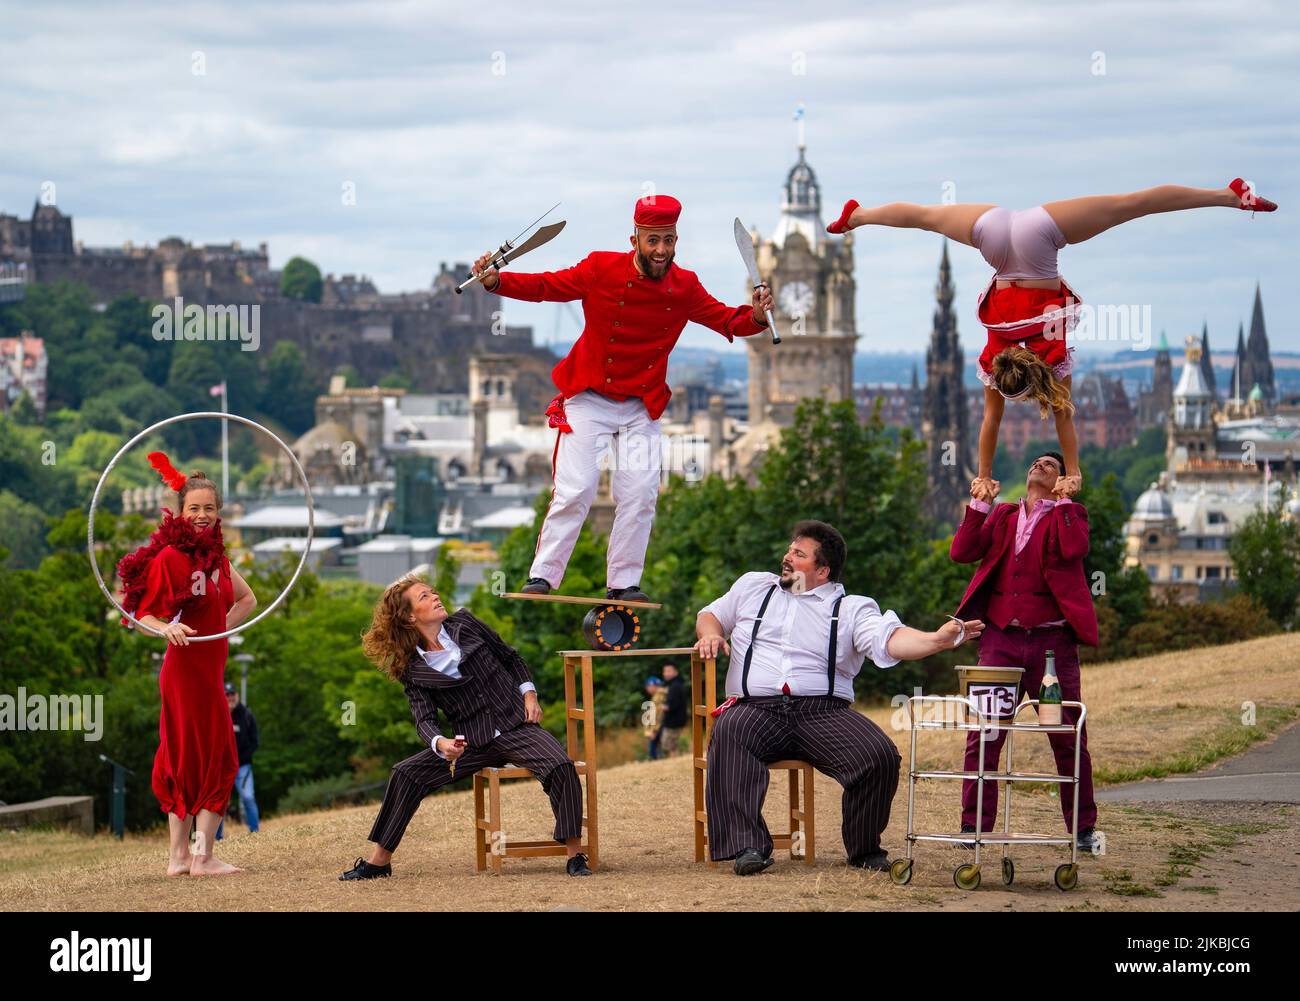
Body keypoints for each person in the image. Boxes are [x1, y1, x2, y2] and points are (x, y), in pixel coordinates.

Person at [826, 179, 1277, 501]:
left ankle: (1229, 197)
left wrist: (1074, 472)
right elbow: (990, 426)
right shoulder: (993, 362)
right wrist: (981, 476)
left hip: (1040, 244)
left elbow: (1064, 423)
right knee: (927, 218)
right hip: (995, 238)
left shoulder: (1053, 360)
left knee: (1129, 205)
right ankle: (858, 217)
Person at [472, 194, 775, 603]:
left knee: (640, 494)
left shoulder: (685, 286)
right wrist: (497, 282)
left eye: (668, 241)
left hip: (640, 406)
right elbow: (547, 286)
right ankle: (543, 575)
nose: (662, 250)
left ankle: (624, 584)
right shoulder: (600, 268)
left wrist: (756, 316)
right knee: (576, 489)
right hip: (589, 396)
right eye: (653, 240)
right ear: (634, 239)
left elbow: (726, 319)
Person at [695, 520, 983, 875]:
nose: (786, 557)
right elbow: (711, 614)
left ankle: (864, 850)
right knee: (729, 731)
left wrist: (937, 640)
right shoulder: (754, 586)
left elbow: (890, 640)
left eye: (798, 554)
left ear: (823, 570)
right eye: (790, 549)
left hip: (822, 712)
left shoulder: (851, 608)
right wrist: (710, 635)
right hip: (756, 708)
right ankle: (746, 847)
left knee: (879, 756)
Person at [340, 574, 591, 879]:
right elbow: (424, 720)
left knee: (560, 766)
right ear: (409, 616)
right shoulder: (412, 669)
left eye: (433, 592)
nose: (435, 597)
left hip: (517, 725)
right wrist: (441, 743)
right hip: (470, 741)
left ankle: (575, 855)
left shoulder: (466, 623)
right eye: (424, 597)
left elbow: (511, 658)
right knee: (405, 774)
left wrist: (530, 694)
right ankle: (379, 863)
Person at [116, 454, 258, 876]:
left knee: (195, 756)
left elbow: (248, 600)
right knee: (210, 757)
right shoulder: (170, 559)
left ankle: (182, 859)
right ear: (179, 513)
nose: (202, 516)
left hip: (208, 670)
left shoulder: (218, 560)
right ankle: (200, 857)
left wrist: (219, 629)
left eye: (209, 509)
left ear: (219, 514)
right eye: (194, 508)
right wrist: (167, 630)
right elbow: (143, 616)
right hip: (183, 675)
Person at [949, 451, 1099, 850]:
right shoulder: (1003, 516)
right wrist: (981, 504)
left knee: (1065, 733)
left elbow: (1072, 550)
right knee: (985, 733)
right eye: (1037, 462)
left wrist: (1066, 502)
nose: (1040, 465)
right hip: (1001, 641)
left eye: (1051, 466)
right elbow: (961, 552)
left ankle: (1082, 829)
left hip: (1051, 647)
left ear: (1063, 481)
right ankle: (972, 827)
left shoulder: (1071, 516)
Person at [216, 682, 260, 840]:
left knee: (248, 797)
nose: (230, 697)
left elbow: (255, 741)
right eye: (227, 695)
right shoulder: (217, 714)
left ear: (237, 695)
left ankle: (255, 832)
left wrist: (241, 758)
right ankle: (217, 836)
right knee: (219, 801)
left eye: (232, 694)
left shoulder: (247, 715)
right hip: (222, 767)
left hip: (243, 766)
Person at [658, 663, 688, 759]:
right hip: (677, 719)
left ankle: (673, 760)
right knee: (670, 743)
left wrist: (662, 707)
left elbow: (672, 705)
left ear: (676, 672)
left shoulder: (675, 686)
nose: (666, 674)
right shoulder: (677, 684)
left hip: (674, 721)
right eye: (664, 671)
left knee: (668, 744)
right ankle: (673, 759)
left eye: (668, 671)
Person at [643, 675, 666, 760]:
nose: (647, 689)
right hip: (659, 726)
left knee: (654, 751)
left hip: (658, 727)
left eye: (648, 686)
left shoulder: (658, 697)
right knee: (657, 750)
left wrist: (654, 730)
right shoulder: (659, 695)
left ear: (653, 686)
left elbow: (657, 716)